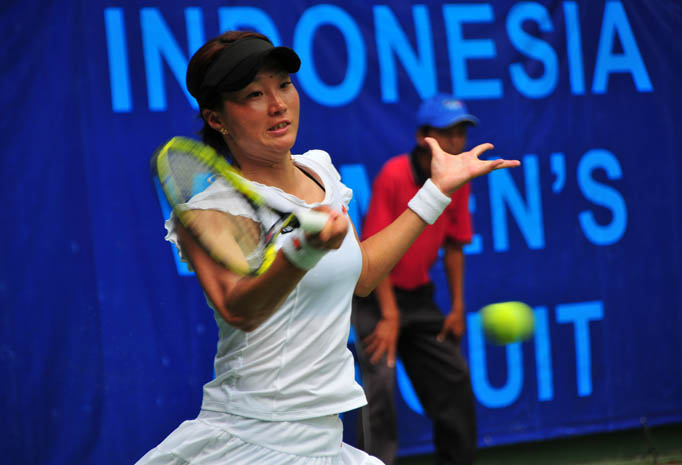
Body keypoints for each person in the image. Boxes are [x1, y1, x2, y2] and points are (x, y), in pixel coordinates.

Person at [137, 30, 519, 465]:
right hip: (253, 438)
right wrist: (302, 252)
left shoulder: (320, 171)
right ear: (216, 118)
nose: (278, 104)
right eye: (253, 95)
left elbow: (365, 274)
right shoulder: (210, 209)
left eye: (283, 85)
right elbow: (239, 309)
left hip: (323, 441)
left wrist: (435, 191)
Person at [352, 94, 481, 465]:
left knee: (453, 380)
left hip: (420, 299)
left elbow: (455, 246)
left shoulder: (459, 177)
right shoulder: (394, 174)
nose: (456, 142)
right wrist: (389, 316)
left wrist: (457, 307)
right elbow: (375, 254)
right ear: (424, 136)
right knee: (378, 391)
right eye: (447, 132)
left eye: (461, 132)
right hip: (376, 298)